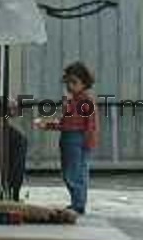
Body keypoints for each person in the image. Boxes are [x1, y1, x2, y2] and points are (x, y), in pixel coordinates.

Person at [36, 62, 99, 214]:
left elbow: (91, 124)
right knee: (70, 172)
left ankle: (78, 204)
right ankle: (77, 202)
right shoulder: (72, 100)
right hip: (68, 138)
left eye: (74, 82)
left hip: (77, 139)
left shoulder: (86, 101)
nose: (70, 86)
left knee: (75, 173)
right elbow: (65, 122)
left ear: (84, 83)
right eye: (68, 82)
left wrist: (89, 141)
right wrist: (49, 125)